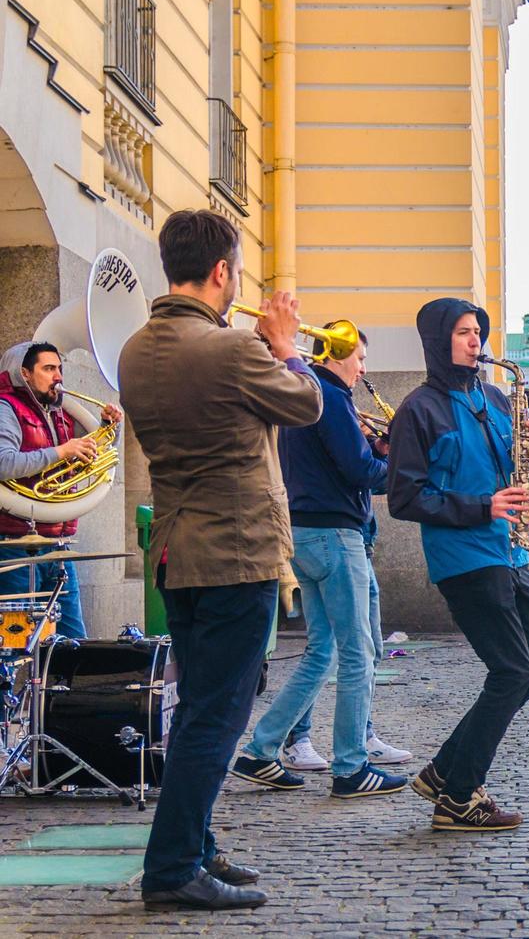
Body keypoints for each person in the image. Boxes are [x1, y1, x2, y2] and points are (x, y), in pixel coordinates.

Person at [121, 209, 322, 909]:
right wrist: (283, 344)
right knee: (219, 716)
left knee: (200, 708)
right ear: (221, 272)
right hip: (237, 552)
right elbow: (305, 404)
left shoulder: (135, 349)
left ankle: (198, 848)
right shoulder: (232, 350)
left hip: (178, 553)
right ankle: (173, 868)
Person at [387, 297, 529, 831]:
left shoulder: (497, 398)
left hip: (512, 551)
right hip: (465, 558)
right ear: (438, 340)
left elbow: (511, 472)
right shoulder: (417, 410)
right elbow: (405, 499)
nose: (475, 340)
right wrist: (481, 507)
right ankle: (458, 793)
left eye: (477, 330)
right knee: (511, 671)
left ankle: (444, 772)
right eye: (462, 332)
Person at [231, 327, 406, 799]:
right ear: (340, 356)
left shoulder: (305, 396)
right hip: (334, 535)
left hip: (306, 534)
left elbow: (339, 464)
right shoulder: (329, 395)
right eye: (361, 358)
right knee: (359, 652)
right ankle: (351, 767)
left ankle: (260, 750)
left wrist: (377, 453)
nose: (364, 368)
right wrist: (405, 467)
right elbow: (360, 472)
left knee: (322, 651)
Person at [0, 341, 123, 639]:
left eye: (60, 369)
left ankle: (64, 687)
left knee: (71, 641)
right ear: (25, 373)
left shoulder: (58, 412)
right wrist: (61, 452)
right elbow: (3, 462)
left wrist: (108, 428)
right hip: (15, 546)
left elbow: (96, 455)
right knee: (17, 644)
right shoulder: (6, 407)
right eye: (49, 368)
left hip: (58, 543)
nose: (58, 376)